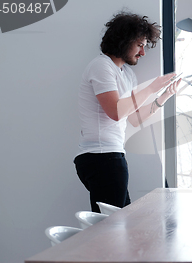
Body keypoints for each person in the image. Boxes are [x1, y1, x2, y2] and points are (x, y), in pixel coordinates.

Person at [74, 11, 181, 213]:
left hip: (112, 155)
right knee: (111, 228)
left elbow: (133, 118)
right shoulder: (101, 66)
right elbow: (115, 112)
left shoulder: (127, 74)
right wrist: (150, 88)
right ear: (124, 41)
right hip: (101, 156)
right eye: (140, 45)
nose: (142, 52)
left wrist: (163, 96)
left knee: (120, 224)